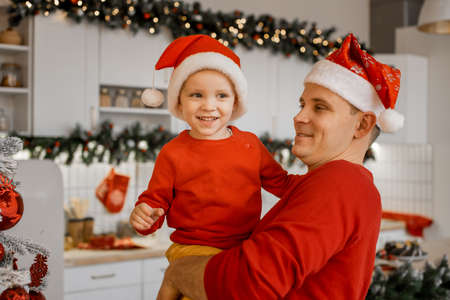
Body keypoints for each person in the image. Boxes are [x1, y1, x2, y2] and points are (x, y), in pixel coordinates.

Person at [156, 33, 405, 300]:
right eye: (302, 104)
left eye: (319, 108)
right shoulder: (334, 184)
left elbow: (250, 283)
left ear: (363, 125)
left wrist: (177, 272)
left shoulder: (340, 183)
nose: (299, 117)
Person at [129, 35, 297, 299]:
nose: (209, 105)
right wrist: (145, 215)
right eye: (196, 95)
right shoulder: (173, 152)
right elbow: (155, 202)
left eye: (221, 95)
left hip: (244, 247)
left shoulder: (251, 145)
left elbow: (284, 184)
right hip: (193, 250)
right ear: (179, 102)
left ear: (235, 102)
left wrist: (322, 183)